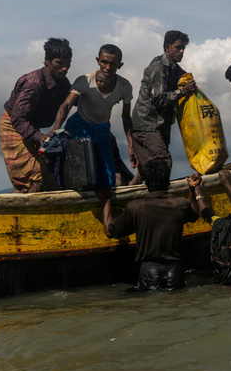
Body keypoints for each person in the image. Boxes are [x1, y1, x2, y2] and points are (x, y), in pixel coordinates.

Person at [100, 159, 209, 290]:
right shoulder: (180, 204)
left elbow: (110, 231)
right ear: (168, 182)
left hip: (149, 272)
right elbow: (194, 214)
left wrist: (106, 202)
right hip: (175, 271)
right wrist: (192, 190)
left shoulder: (135, 207)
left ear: (146, 183)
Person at [51, 44, 134, 189]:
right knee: (76, 169)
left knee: (108, 175)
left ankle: (105, 206)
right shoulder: (85, 81)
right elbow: (66, 105)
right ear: (98, 61)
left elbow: (126, 117)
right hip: (79, 127)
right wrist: (56, 128)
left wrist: (131, 146)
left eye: (112, 64)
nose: (108, 67)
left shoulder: (124, 86)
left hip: (102, 130)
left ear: (119, 65)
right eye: (104, 62)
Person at [0, 37, 72, 193]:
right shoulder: (34, 84)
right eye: (60, 63)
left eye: (68, 63)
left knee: (46, 173)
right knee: (37, 176)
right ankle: (24, 215)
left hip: (32, 127)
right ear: (47, 61)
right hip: (13, 125)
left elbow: (72, 99)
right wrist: (39, 137)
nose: (65, 68)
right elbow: (18, 119)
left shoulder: (62, 82)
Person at [130, 31, 197, 183]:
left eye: (183, 49)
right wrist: (183, 91)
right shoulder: (158, 69)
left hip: (161, 126)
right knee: (162, 162)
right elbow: (159, 99)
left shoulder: (174, 69)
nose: (182, 52)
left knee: (148, 169)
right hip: (147, 125)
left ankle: (128, 195)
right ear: (168, 47)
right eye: (178, 48)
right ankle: (159, 200)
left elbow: (184, 77)